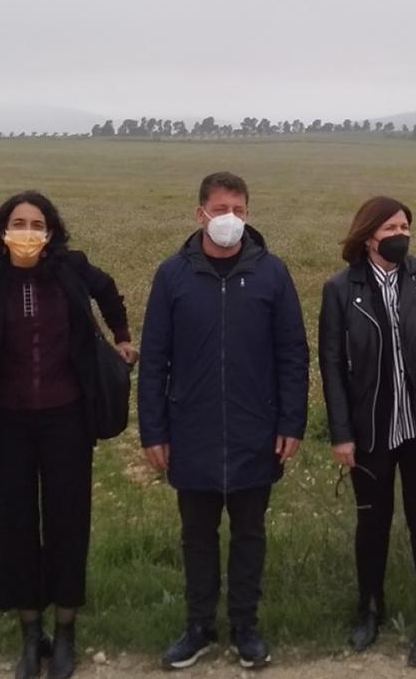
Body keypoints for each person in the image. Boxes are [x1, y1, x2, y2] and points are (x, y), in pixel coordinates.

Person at [0, 191, 137, 679]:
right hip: (7, 422)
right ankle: (31, 637)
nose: (28, 230)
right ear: (3, 229)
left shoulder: (71, 267)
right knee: (12, 526)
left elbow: (110, 290)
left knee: (67, 522)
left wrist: (122, 338)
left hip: (68, 419)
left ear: (50, 232)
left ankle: (66, 634)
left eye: (37, 223)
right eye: (19, 222)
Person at [138, 172, 308, 670]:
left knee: (250, 534)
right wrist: (154, 431)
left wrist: (292, 422)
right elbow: (154, 360)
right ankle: (198, 627)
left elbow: (292, 354)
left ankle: (246, 627)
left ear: (248, 214)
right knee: (197, 536)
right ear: (200, 215)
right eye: (220, 209)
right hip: (191, 432)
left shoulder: (272, 274)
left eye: (238, 208)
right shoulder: (172, 276)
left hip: (258, 431)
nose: (229, 218)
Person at [318, 196, 416, 667]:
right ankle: (369, 609)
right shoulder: (341, 289)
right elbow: (331, 368)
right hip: (370, 431)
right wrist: (341, 434)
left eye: (405, 224)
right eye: (391, 226)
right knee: (372, 524)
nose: (400, 233)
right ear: (369, 236)